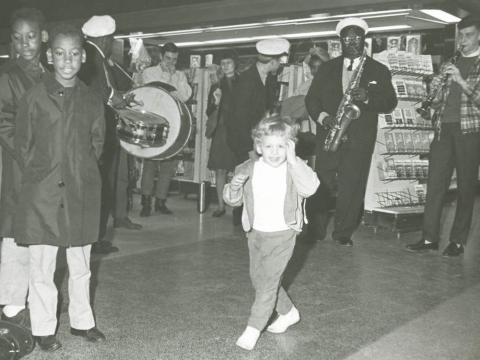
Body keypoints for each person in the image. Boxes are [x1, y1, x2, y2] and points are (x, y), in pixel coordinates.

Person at [14, 23, 106, 352]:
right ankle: (43, 328)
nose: (68, 60)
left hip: (81, 191)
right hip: (44, 193)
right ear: (50, 56)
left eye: (74, 54)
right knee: (42, 267)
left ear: (83, 57)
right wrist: (44, 174)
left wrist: (79, 172)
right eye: (60, 53)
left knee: (81, 265)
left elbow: (97, 145)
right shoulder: (35, 96)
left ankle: (83, 322)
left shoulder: (93, 100)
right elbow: (23, 145)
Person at [223, 115, 319, 350]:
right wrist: (233, 189)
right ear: (259, 147)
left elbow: (311, 188)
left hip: (283, 234)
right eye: (268, 146)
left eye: (281, 146)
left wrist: (294, 159)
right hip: (256, 233)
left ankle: (253, 328)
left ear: (290, 146)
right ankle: (288, 312)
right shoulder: (248, 168)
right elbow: (233, 200)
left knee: (267, 285)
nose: (275, 152)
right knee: (259, 279)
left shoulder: (294, 167)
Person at [305, 17, 397, 246]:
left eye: (357, 37)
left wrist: (368, 97)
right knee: (322, 182)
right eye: (347, 38)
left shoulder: (379, 70)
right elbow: (311, 99)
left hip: (359, 139)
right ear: (340, 41)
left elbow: (389, 102)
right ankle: (316, 229)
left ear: (364, 40)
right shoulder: (327, 68)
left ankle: (343, 232)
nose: (352, 42)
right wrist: (324, 118)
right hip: (329, 133)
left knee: (352, 185)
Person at [406, 16, 480, 257]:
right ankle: (429, 238)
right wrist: (434, 93)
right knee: (435, 185)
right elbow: (439, 103)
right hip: (443, 129)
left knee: (466, 187)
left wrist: (460, 79)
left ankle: (457, 241)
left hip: (469, 131)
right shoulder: (451, 61)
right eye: (461, 35)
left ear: (479, 35)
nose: (463, 40)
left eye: (468, 35)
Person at [0, 7, 48, 330]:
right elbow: (3, 124)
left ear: (43, 37)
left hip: (47, 171)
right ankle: (12, 305)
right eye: (17, 38)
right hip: (21, 168)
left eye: (30, 36)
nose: (24, 43)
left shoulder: (52, 72)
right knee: (15, 236)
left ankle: (35, 301)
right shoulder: (9, 76)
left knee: (40, 237)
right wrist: (28, 158)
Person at [79, 15, 142, 255]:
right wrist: (120, 100)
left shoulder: (94, 56)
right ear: (105, 40)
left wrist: (117, 96)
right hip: (100, 133)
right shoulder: (95, 57)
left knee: (101, 185)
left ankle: (95, 236)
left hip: (97, 131)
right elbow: (102, 93)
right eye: (112, 40)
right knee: (101, 185)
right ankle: (95, 239)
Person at [227, 38, 289, 225]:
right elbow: (238, 119)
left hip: (257, 141)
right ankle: (241, 219)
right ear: (272, 61)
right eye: (279, 61)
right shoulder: (247, 81)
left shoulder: (267, 79)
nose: (280, 65)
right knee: (245, 179)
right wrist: (247, 147)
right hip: (244, 141)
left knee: (256, 181)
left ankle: (253, 217)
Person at [134, 42, 192, 216]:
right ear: (161, 56)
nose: (171, 62)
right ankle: (146, 202)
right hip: (153, 122)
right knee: (150, 163)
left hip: (173, 123)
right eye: (167, 58)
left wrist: (175, 79)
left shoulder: (180, 75)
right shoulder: (149, 72)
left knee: (169, 165)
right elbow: (148, 91)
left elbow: (185, 96)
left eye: (174, 59)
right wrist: (166, 81)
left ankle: (161, 201)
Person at [205, 50, 239, 217]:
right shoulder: (216, 85)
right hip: (222, 130)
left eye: (229, 63)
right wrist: (216, 102)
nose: (225, 66)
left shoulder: (243, 83)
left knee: (240, 169)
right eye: (223, 63)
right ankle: (220, 206)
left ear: (235, 64)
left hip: (239, 130)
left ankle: (238, 206)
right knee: (220, 170)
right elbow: (208, 111)